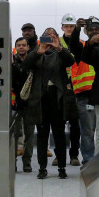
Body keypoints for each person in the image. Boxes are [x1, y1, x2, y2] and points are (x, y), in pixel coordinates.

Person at [22, 28, 76, 179]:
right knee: (42, 135)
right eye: (47, 36)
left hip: (58, 98)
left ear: (57, 37)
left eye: (52, 36)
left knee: (59, 134)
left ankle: (62, 167)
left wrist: (59, 47)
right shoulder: (37, 52)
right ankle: (42, 168)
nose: (49, 39)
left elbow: (70, 61)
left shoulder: (61, 52)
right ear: (42, 38)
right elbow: (26, 65)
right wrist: (39, 51)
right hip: (41, 98)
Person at [73, 17, 99, 166]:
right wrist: (77, 29)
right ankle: (88, 160)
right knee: (87, 132)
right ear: (87, 32)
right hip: (83, 95)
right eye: (91, 30)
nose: (94, 32)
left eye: (97, 29)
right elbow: (77, 51)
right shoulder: (82, 46)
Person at [59, 14, 83, 166]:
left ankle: (74, 154)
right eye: (66, 26)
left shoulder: (79, 43)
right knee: (59, 123)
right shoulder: (56, 42)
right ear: (62, 27)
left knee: (75, 124)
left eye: (71, 26)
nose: (69, 29)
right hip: (60, 86)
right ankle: (59, 155)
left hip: (75, 86)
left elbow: (76, 53)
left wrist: (77, 32)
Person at [12, 37, 35, 172]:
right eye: (18, 45)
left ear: (28, 47)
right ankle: (12, 162)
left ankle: (27, 162)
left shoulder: (32, 62)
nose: (21, 47)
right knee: (14, 134)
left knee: (29, 134)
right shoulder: (10, 62)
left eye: (23, 45)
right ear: (15, 47)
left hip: (30, 102)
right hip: (14, 102)